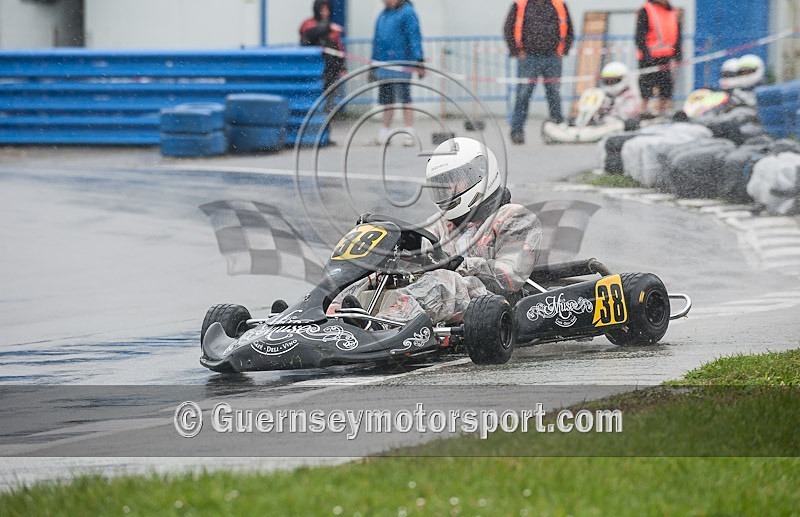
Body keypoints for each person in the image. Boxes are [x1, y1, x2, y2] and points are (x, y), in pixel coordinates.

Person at [335, 137, 543, 324]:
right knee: (378, 276)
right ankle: (331, 316)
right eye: (442, 183)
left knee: (441, 283)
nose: (447, 188)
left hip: (494, 301)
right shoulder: (441, 224)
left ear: (481, 173)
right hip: (448, 297)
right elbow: (422, 255)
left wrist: (458, 264)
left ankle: (380, 327)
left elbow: (508, 278)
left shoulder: (515, 217)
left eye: (455, 179)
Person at [503, 0, 575, 145]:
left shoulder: (558, 4)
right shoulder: (520, 5)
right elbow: (508, 28)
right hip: (528, 57)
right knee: (523, 95)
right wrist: (516, 51)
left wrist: (563, 50)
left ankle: (558, 130)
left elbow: (570, 29)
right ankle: (517, 131)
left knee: (554, 94)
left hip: (552, 57)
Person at [371, 0, 425, 146]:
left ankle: (409, 132)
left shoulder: (407, 12)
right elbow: (376, 41)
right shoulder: (382, 15)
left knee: (405, 98)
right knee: (386, 100)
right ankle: (384, 132)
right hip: (384, 64)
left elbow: (414, 36)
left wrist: (419, 60)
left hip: (402, 64)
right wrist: (373, 64)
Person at [636, 0, 682, 116]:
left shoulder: (672, 12)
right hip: (649, 58)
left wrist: (678, 54)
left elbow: (677, 35)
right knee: (646, 86)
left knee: (666, 86)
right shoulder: (647, 10)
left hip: (665, 57)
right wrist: (646, 55)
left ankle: (663, 112)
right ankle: (644, 112)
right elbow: (639, 35)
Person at [299, 0, 345, 109]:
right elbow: (309, 36)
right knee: (313, 103)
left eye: (327, 9)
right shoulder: (308, 24)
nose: (325, 12)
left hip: (330, 72)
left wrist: (342, 68)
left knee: (328, 105)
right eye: (322, 9)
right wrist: (328, 27)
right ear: (317, 9)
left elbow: (338, 49)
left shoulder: (332, 29)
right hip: (313, 72)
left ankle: (326, 123)